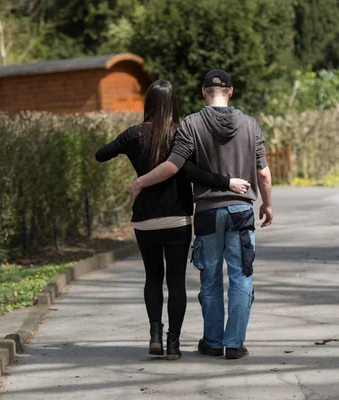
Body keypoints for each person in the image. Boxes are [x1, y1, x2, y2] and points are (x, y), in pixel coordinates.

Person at [95, 80, 251, 361]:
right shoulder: (181, 134)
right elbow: (195, 173)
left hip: (145, 220)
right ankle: (174, 345)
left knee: (153, 278)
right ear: (174, 104)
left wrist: (122, 148)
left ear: (148, 103)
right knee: (176, 281)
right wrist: (227, 181)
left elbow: (101, 154)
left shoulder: (133, 135)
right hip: (177, 219)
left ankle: (155, 334)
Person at [132, 70, 273, 360]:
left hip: (208, 212)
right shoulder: (250, 125)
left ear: (203, 92)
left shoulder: (191, 125)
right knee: (241, 276)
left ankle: (212, 341)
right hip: (242, 211)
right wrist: (267, 204)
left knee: (209, 279)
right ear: (231, 91)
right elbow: (263, 172)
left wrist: (142, 181)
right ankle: (234, 344)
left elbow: (174, 165)